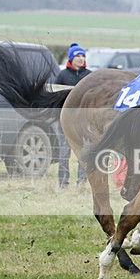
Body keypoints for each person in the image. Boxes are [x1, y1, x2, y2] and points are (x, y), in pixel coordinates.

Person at [55, 43, 92, 188]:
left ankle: (81, 183)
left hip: (83, 123)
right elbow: (55, 95)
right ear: (71, 58)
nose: (81, 58)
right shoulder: (62, 75)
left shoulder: (89, 75)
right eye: (78, 56)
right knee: (64, 153)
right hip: (65, 122)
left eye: (83, 56)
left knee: (83, 153)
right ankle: (63, 183)